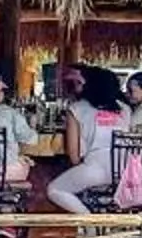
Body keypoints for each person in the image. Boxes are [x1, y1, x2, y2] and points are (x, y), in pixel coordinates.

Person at [47, 65, 129, 214]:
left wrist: (80, 168)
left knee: (54, 189)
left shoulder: (76, 109)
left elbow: (74, 156)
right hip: (125, 172)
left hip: (95, 170)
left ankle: (89, 220)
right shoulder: (125, 109)